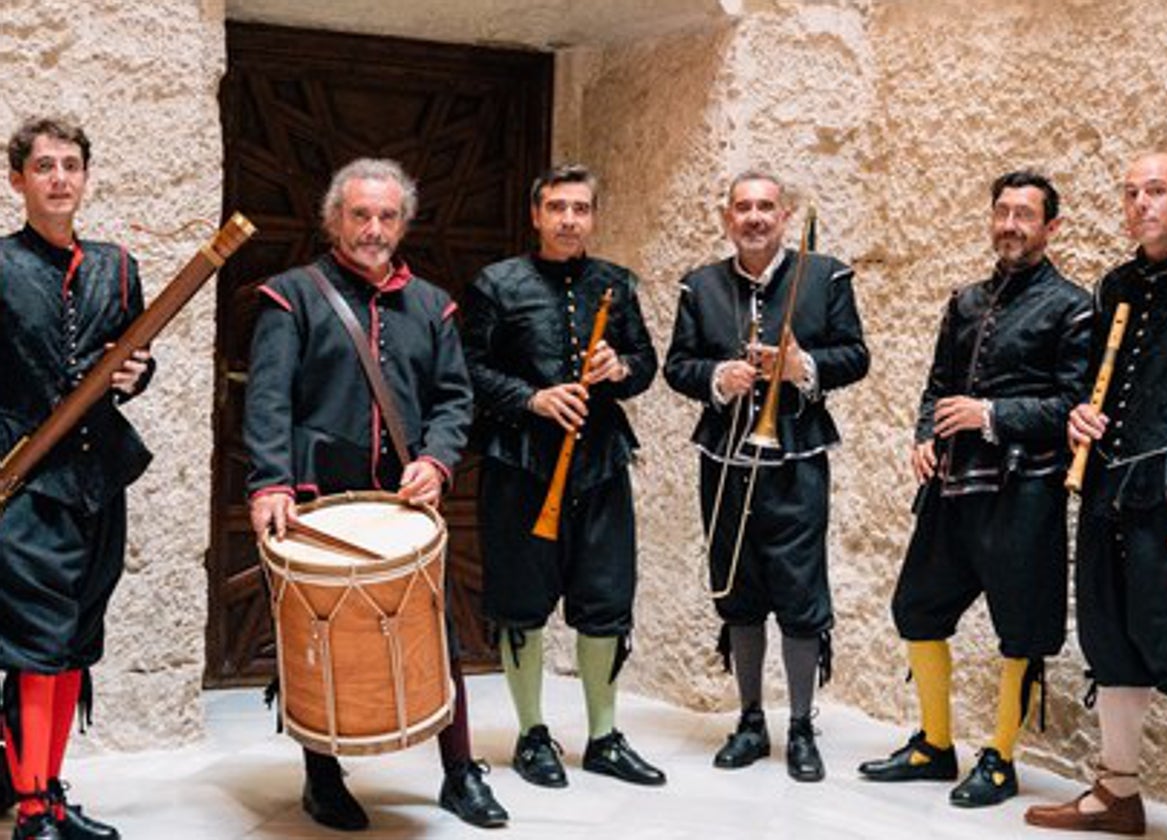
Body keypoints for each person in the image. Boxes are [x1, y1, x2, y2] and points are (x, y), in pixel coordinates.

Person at [243, 158, 508, 831]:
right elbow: (268, 398)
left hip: (402, 504)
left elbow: (455, 400)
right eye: (360, 214)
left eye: (387, 216)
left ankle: (458, 771)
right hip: (315, 494)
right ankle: (322, 777)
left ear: (403, 223)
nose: (374, 228)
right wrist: (269, 480)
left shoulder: (433, 305)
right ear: (334, 219)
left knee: (437, 633)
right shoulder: (290, 296)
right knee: (315, 635)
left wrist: (438, 462)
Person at [857, 171, 1091, 807]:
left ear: (1051, 228)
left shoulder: (1073, 306)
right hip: (953, 488)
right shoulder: (963, 302)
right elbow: (937, 386)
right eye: (1002, 212)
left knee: (1022, 629)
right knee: (917, 609)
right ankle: (935, 744)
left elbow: (1073, 405)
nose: (1010, 225)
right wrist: (925, 435)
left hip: (1025, 493)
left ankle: (1001, 758)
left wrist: (989, 415)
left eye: (1025, 215)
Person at [461, 164, 664, 789]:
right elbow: (466, 369)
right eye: (557, 207)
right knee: (521, 604)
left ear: (593, 217)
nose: (569, 219)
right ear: (536, 215)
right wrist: (533, 399)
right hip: (521, 465)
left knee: (605, 600)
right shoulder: (496, 284)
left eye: (580, 208)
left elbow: (647, 362)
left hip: (599, 464)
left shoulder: (616, 284)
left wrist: (619, 367)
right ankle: (532, 735)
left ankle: (603, 736)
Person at [663, 170, 869, 782]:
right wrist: (716, 379)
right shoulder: (699, 285)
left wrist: (802, 365)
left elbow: (854, 355)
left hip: (797, 458)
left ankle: (801, 725)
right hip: (725, 456)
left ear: (784, 216)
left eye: (766, 208)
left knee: (801, 593)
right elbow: (677, 364)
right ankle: (750, 721)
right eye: (743, 208)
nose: (755, 217)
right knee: (738, 588)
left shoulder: (825, 274)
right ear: (727, 218)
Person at [1025, 152, 1167, 839]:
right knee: (1111, 638)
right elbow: (1096, 381)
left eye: (1155, 191)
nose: (1140, 203)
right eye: (1130, 193)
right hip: (1108, 487)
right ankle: (1117, 794)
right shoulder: (1117, 285)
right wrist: (1076, 419)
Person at [1, 117, 155, 840]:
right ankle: (31, 810)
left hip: (99, 480)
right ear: (18, 180)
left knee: (73, 643)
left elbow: (132, 362)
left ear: (86, 177)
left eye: (71, 165)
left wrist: (135, 373)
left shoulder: (117, 265)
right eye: (44, 166)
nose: (59, 177)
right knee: (36, 643)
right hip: (23, 485)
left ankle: (49, 792)